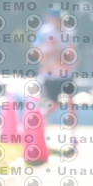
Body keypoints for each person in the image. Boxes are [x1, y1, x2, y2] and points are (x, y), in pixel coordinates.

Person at [34, 8, 78, 143]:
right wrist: (52, 55)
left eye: (61, 19)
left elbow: (72, 53)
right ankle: (37, 126)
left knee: (71, 103)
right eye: (56, 19)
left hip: (66, 74)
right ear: (51, 19)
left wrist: (67, 58)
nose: (59, 22)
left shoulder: (69, 32)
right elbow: (37, 53)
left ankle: (73, 136)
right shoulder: (44, 32)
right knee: (54, 104)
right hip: (51, 75)